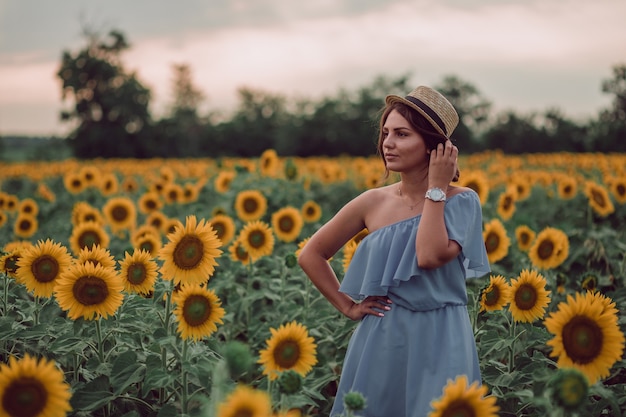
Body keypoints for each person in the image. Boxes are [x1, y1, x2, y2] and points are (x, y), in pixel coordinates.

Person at [297, 86, 490, 417]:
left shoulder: (462, 201)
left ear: (435, 146)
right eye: (386, 133)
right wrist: (348, 307)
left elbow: (429, 255)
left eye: (402, 134)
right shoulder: (373, 202)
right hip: (382, 337)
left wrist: (436, 190)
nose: (388, 143)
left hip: (442, 337)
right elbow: (311, 254)